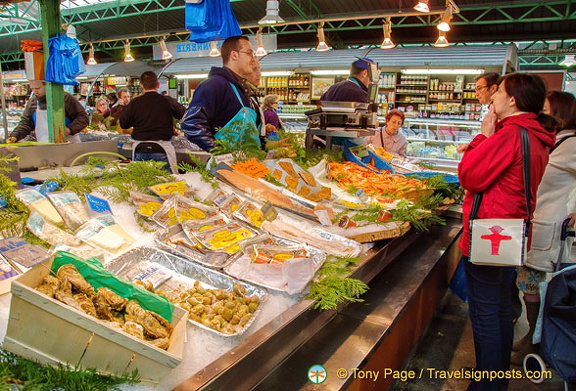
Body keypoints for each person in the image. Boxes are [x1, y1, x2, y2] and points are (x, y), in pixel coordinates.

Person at [458, 73, 556, 391]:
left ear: (512, 99)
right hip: (510, 232)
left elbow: (470, 175)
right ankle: (495, 376)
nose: (494, 96)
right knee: (499, 307)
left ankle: (487, 384)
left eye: (498, 91)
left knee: (485, 313)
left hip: (490, 233)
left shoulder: (511, 134)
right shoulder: (535, 134)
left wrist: (483, 137)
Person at [511, 90, 576, 365]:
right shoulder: (556, 140)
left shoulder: (572, 144)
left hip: (554, 226)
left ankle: (539, 342)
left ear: (560, 113)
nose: (540, 112)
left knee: (542, 286)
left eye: (546, 108)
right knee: (530, 283)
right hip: (538, 223)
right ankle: (535, 339)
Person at [181, 35, 263, 151]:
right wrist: (219, 152)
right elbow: (191, 123)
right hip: (226, 166)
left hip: (248, 163)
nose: (253, 59)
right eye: (249, 53)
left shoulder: (241, 89)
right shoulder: (215, 84)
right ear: (234, 55)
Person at [119, 71, 185, 173]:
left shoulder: (134, 103)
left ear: (141, 85)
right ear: (158, 84)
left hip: (139, 149)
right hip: (162, 149)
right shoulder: (166, 100)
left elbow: (123, 124)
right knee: (167, 184)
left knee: (142, 185)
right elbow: (183, 114)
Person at [6, 80, 89, 144]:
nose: (35, 91)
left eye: (38, 88)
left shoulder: (65, 98)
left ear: (47, 85)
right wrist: (15, 135)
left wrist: (70, 129)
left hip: (69, 146)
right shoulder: (33, 102)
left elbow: (83, 118)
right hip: (44, 147)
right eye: (32, 89)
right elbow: (26, 124)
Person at [457, 72, 500, 153]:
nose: (476, 94)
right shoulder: (492, 110)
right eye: (476, 90)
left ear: (493, 88)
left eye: (479, 88)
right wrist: (471, 148)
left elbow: (495, 145)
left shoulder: (499, 113)